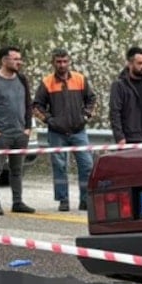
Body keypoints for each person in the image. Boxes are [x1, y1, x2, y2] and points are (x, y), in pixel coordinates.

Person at [33, 48, 97, 212]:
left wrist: (86, 116)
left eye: (64, 61)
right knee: (60, 167)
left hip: (78, 130)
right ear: (53, 63)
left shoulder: (80, 79)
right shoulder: (47, 82)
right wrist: (49, 120)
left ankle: (85, 199)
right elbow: (37, 106)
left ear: (69, 61)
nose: (62, 65)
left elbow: (92, 99)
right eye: (58, 62)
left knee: (87, 165)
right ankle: (63, 199)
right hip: (57, 132)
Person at [0, 46, 35, 216]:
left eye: (20, 58)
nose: (20, 62)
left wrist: (27, 127)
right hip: (1, 134)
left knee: (17, 170)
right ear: (4, 60)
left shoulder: (22, 79)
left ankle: (17, 201)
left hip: (20, 134)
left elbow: (27, 104)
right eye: (15, 59)